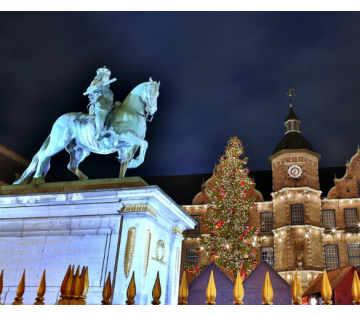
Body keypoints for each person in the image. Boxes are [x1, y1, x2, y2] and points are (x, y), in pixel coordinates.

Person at [86, 67, 114, 139]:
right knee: (102, 113)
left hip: (109, 107)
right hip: (100, 105)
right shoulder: (96, 83)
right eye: (105, 76)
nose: (107, 78)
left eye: (108, 76)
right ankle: (100, 132)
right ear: (101, 76)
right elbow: (89, 90)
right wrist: (96, 87)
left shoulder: (109, 90)